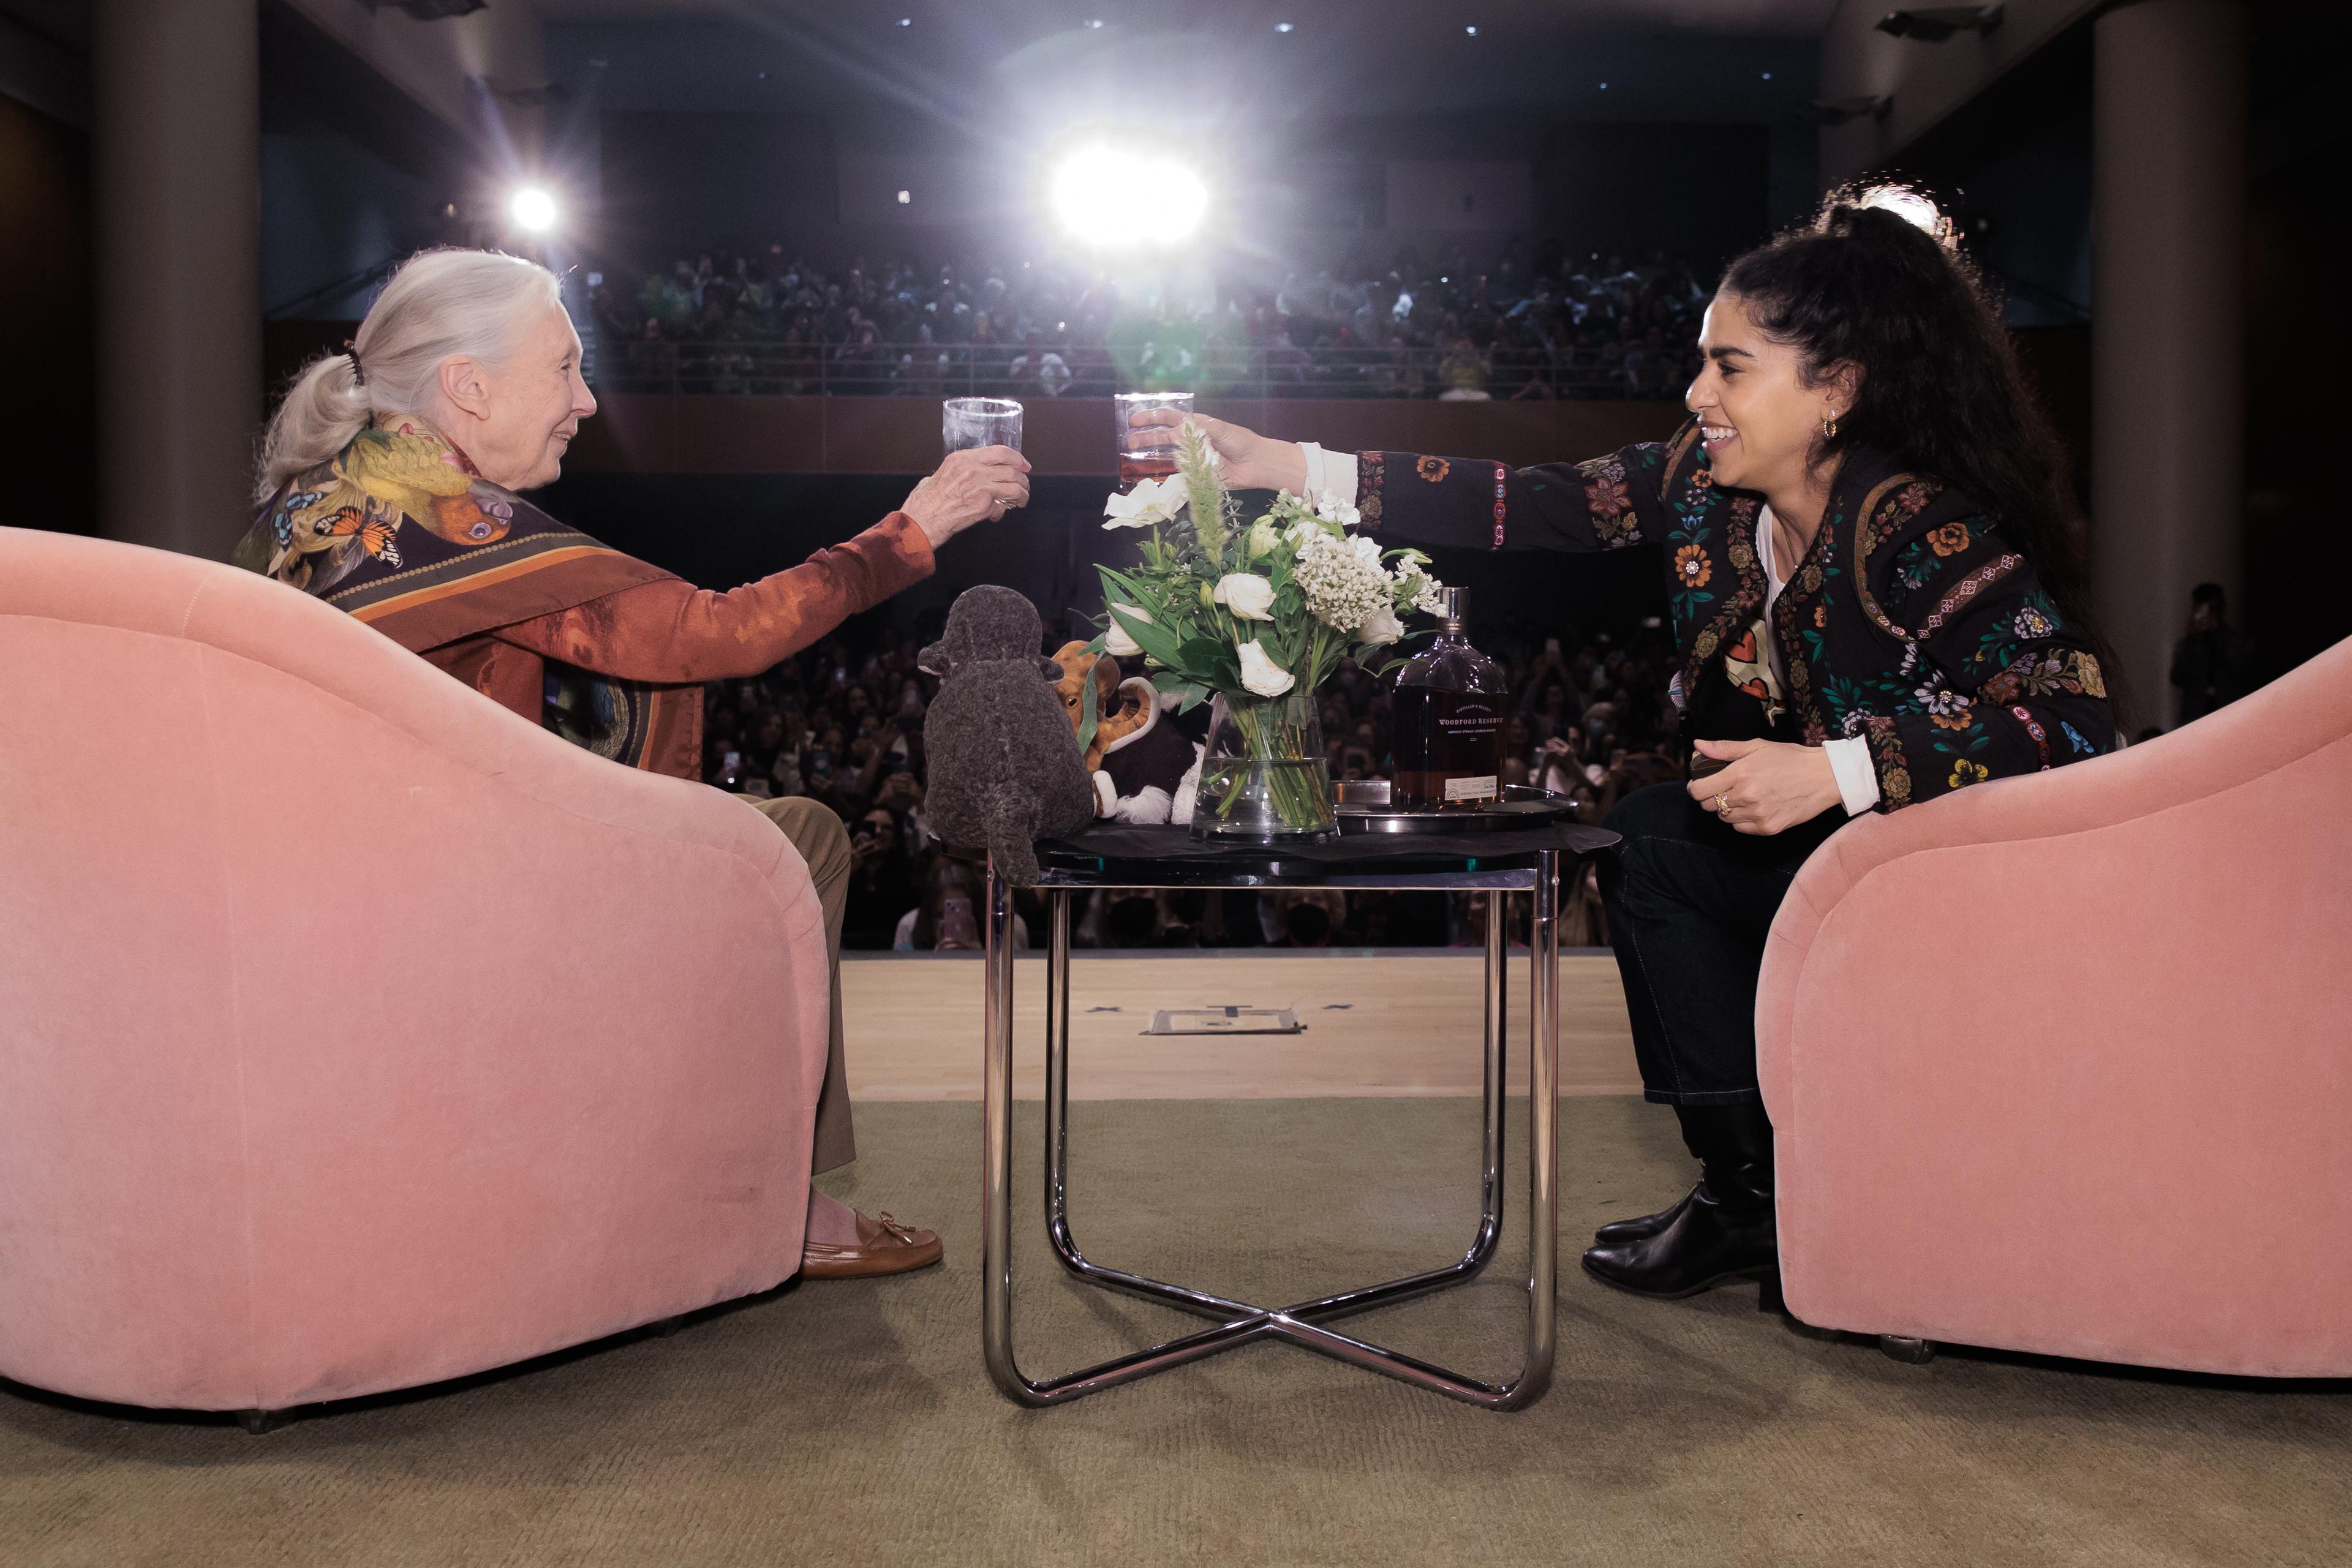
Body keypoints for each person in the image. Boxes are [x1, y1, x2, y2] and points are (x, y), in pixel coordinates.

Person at [1142, 190, 2117, 1304]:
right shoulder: (1701, 486)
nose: (1697, 395)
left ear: (1838, 390)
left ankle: (1803, 1190)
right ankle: (1746, 1195)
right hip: (1845, 869)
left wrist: (1840, 770)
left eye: (1731, 368)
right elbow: (1528, 501)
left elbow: (2076, 718)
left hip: (1953, 887)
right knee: (1651, 833)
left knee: (1659, 835)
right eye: (1702, 364)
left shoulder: (1924, 529)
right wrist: (1287, 461)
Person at [239, 247, 1032, 1281]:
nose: (588, 400)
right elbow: (718, 633)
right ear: (467, 388)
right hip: (448, 905)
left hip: (311, 894)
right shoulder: (455, 522)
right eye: (564, 370)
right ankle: (779, 1197)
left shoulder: (305, 510)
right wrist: (914, 528)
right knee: (795, 842)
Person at [2169, 581, 2259, 726]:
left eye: (2212, 609)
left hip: (2230, 715)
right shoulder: (2189, 642)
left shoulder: (2237, 640)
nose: (2207, 614)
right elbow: (2177, 677)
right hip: (2196, 718)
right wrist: (2192, 639)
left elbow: (2245, 672)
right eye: (2201, 609)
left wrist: (2218, 635)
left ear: (2222, 608)